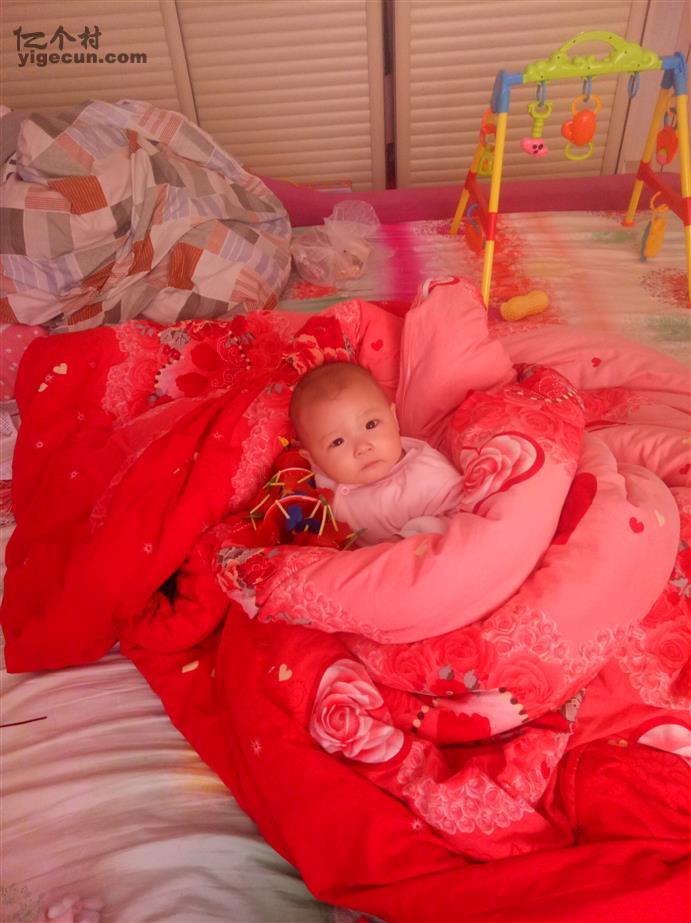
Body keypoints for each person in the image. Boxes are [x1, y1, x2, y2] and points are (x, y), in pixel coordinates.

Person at [289, 361, 463, 545]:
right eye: (337, 442)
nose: (362, 447)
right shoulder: (327, 478)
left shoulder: (427, 473)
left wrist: (409, 537)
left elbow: (459, 517)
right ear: (314, 460)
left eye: (371, 425)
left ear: (394, 419)